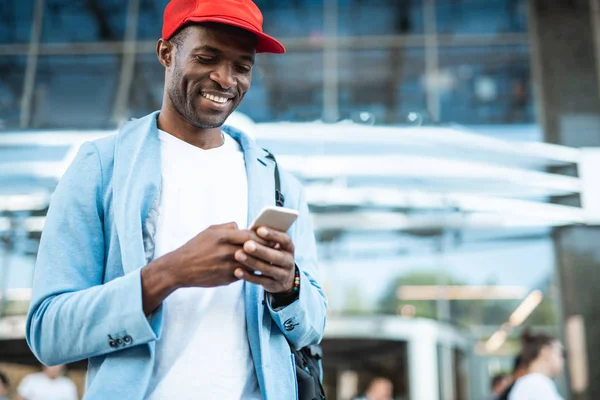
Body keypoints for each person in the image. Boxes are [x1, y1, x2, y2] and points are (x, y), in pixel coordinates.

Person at [24, 0, 327, 399]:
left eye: (242, 66)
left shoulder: (278, 183)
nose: (225, 78)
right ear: (166, 52)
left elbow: (313, 324)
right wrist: (168, 274)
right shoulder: (102, 167)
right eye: (207, 57)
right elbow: (48, 334)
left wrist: (287, 286)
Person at [508, 331, 564, 400]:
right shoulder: (536, 384)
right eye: (559, 354)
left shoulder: (530, 384)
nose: (562, 360)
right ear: (545, 352)